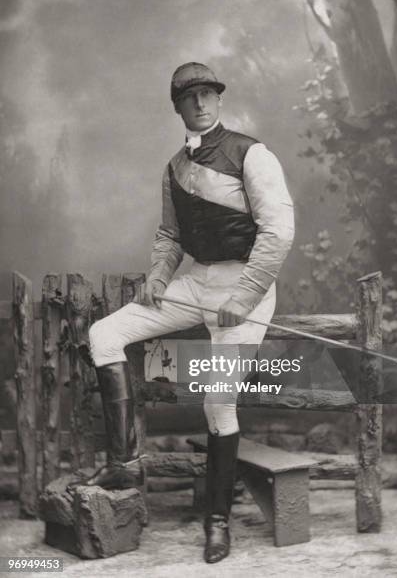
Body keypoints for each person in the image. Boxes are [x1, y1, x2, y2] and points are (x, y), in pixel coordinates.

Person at [68, 62, 295, 563]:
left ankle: (217, 522)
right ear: (177, 107)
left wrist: (245, 296)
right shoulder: (174, 169)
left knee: (218, 405)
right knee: (105, 334)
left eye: (208, 93)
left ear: (218, 98)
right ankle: (125, 463)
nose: (200, 103)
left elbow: (278, 232)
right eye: (189, 96)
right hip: (198, 281)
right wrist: (157, 277)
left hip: (248, 286)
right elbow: (171, 237)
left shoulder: (250, 153)